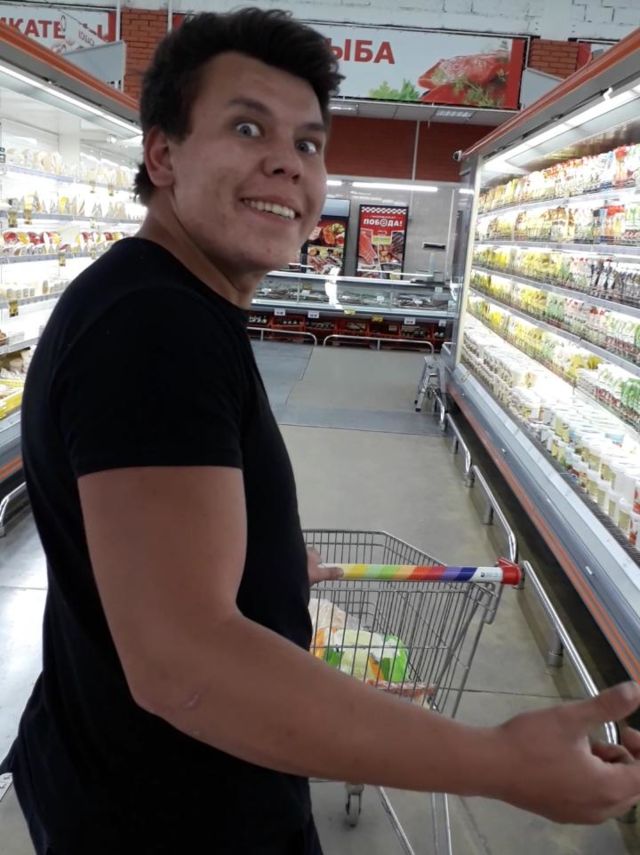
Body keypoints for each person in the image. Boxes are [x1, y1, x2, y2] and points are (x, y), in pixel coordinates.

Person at [3, 7, 640, 854]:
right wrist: (497, 762)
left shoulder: (159, 303)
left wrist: (265, 568)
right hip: (176, 819)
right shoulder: (158, 327)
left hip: (122, 777)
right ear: (162, 156)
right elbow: (184, 663)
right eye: (247, 127)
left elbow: (152, 569)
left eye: (308, 142)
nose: (287, 162)